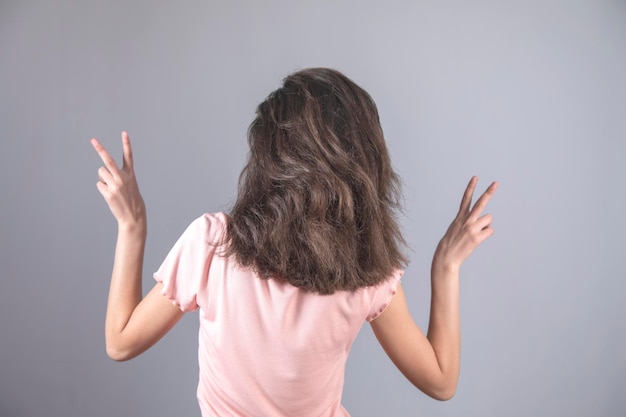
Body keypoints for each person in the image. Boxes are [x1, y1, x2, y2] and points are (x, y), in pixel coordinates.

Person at [91, 68, 498, 417]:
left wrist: (133, 225)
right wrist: (446, 267)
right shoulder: (369, 274)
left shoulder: (212, 245)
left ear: (270, 160)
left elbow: (121, 342)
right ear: (364, 166)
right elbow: (441, 383)